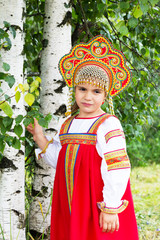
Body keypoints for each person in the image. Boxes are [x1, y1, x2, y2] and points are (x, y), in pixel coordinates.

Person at [27, 36, 139, 240]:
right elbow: (61, 160)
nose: (88, 97)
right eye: (82, 89)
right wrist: (40, 138)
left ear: (106, 95)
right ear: (74, 90)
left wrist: (111, 207)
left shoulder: (107, 124)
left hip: (96, 201)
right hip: (70, 202)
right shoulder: (67, 123)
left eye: (96, 91)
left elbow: (118, 167)